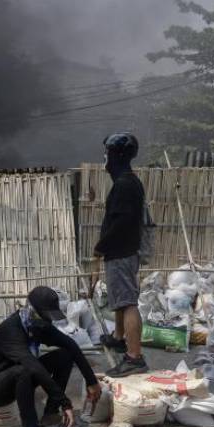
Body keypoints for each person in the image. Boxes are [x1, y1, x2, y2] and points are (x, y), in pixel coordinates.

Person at [0, 287, 102, 427]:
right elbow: (33, 367)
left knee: (64, 355)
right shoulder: (11, 330)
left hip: (20, 376)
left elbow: (71, 345)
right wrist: (65, 402)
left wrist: (92, 381)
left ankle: (50, 416)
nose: (48, 320)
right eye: (45, 315)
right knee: (25, 370)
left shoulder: (38, 325)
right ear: (33, 311)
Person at [95, 132, 152, 377]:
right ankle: (119, 338)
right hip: (120, 251)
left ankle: (134, 357)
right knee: (119, 298)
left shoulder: (126, 185)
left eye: (107, 153)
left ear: (117, 156)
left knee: (127, 302)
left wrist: (101, 245)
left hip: (122, 251)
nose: (105, 159)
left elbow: (122, 223)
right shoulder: (126, 182)